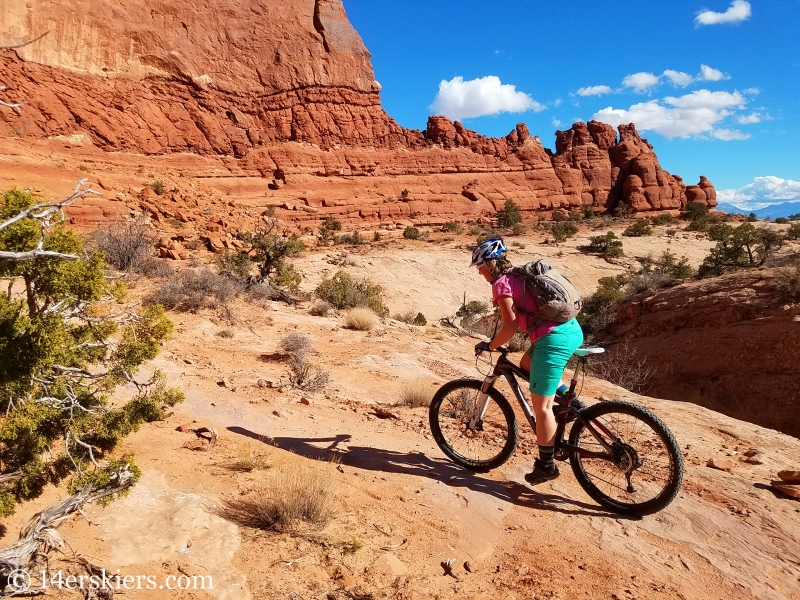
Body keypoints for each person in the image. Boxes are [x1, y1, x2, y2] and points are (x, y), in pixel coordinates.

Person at [470, 237, 584, 485]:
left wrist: (491, 345)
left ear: (489, 264)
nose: (479, 272)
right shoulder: (518, 274)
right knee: (526, 366)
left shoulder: (501, 284)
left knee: (541, 408)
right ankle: (573, 404)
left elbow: (510, 324)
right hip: (571, 330)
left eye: (479, 267)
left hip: (552, 340)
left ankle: (546, 465)